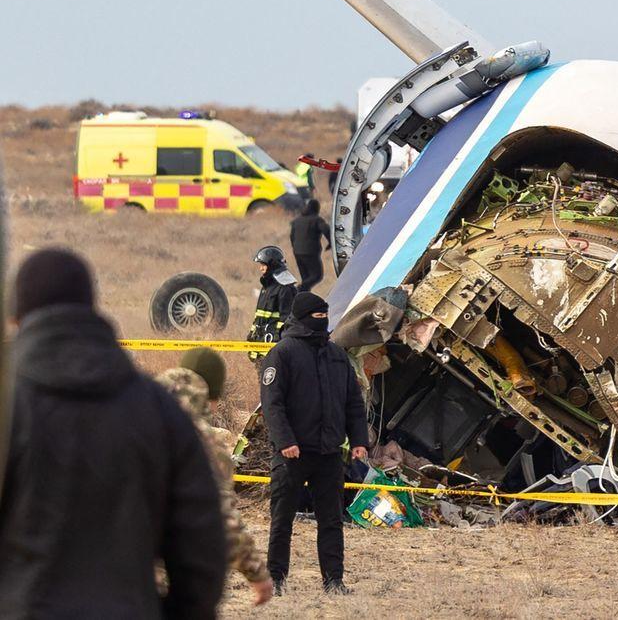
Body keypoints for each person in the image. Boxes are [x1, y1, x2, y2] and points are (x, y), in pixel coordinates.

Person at [0, 248, 226, 617]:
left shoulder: (7, 409)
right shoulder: (160, 412)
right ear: (92, 306)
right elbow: (201, 548)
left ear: (15, 316)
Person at [261, 292, 370, 595]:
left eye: (325, 317)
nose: (321, 322)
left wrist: (359, 440)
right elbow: (272, 404)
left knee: (331, 521)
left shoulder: (337, 356)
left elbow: (353, 404)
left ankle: (333, 581)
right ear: (301, 317)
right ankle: (276, 579)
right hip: (292, 455)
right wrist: (285, 441)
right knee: (282, 521)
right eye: (316, 317)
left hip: (329, 455)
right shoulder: (283, 353)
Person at [158, 347, 274, 607]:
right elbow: (222, 517)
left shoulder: (127, 418)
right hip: (176, 579)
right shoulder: (203, 442)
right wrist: (255, 572)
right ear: (210, 395)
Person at [247, 245, 299, 355]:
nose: (260, 268)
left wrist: (277, 337)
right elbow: (259, 315)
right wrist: (252, 333)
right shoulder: (266, 286)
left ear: (272, 265)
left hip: (273, 343)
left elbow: (287, 318)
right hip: (261, 340)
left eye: (263, 265)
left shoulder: (285, 288)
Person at [290, 200, 333, 291]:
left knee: (306, 280)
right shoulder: (316, 220)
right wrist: (331, 242)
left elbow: (292, 236)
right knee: (317, 275)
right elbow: (326, 229)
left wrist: (295, 248)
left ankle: (303, 299)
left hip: (297, 253)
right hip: (310, 252)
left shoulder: (297, 221)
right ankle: (298, 290)